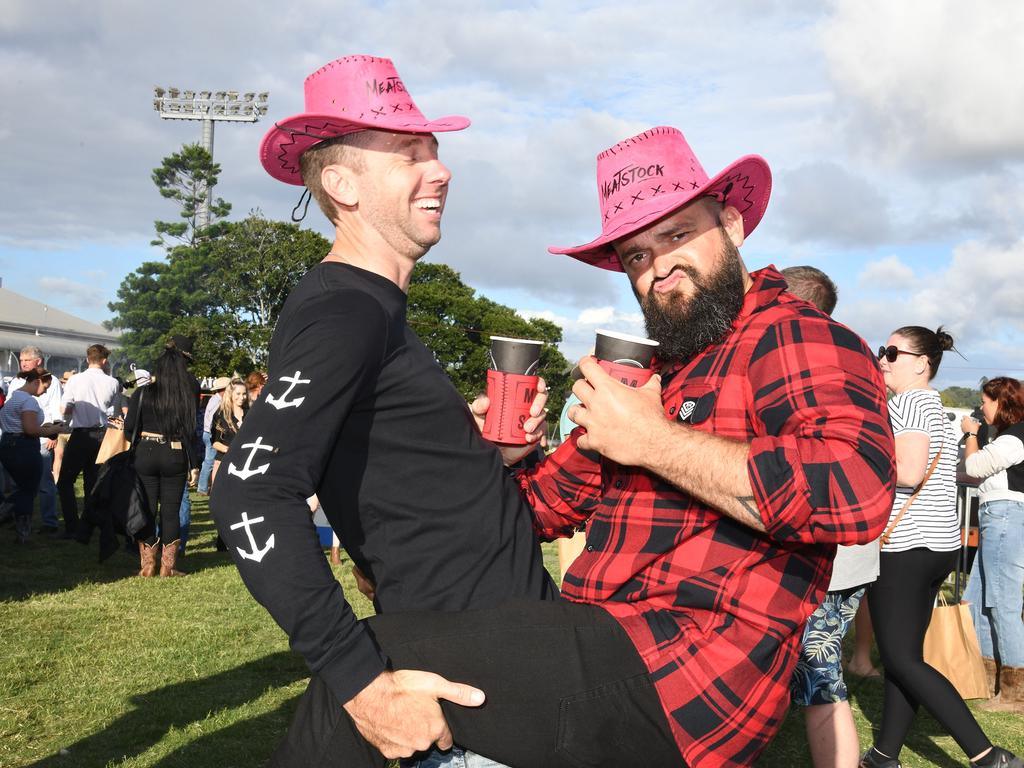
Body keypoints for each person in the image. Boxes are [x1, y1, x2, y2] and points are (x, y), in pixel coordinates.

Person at [230, 124, 901, 768]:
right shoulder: (652, 377)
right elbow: (531, 509)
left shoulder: (795, 337)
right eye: (637, 255)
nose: (659, 268)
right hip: (600, 639)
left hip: (692, 677)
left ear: (730, 224)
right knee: (388, 668)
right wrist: (493, 456)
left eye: (678, 236)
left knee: (375, 670)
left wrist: (656, 442)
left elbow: (856, 492)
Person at [211, 55, 555, 768]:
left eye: (436, 151)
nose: (441, 171)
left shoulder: (377, 311)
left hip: (498, 669)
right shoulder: (346, 310)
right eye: (409, 154)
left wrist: (493, 454)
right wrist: (363, 685)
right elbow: (250, 485)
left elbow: (381, 478)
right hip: (456, 699)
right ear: (343, 184)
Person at [861, 327, 1022, 768]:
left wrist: (859, 460)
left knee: (900, 657)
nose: (883, 359)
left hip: (906, 544)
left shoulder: (910, 402)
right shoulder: (929, 403)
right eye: (882, 350)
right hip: (934, 545)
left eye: (893, 352)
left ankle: (987, 754)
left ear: (921, 363)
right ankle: (884, 754)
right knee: (903, 655)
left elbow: (909, 472)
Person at [781, 265, 880, 768]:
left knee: (820, 675)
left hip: (825, 551)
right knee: (819, 668)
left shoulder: (802, 364)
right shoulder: (857, 357)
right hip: (851, 552)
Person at [960, 376, 1024, 713]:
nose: (981, 407)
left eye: (986, 400)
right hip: (997, 515)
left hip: (1006, 516)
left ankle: (1016, 692)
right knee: (977, 600)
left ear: (1002, 402)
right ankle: (985, 679)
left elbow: (974, 466)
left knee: (1002, 601)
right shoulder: (1007, 438)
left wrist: (971, 434)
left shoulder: (1015, 439)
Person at [125, 337, 200, 577]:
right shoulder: (184, 396)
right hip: (175, 453)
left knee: (146, 509)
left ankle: (147, 565)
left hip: (145, 451)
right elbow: (190, 431)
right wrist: (194, 463)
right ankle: (167, 567)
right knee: (170, 511)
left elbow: (129, 429)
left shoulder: (142, 394)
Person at [59, 344, 121, 541]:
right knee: (92, 483)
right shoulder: (112, 382)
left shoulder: (76, 379)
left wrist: (68, 419)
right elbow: (112, 408)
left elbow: (66, 408)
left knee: (66, 481)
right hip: (101, 434)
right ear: (104, 361)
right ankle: (89, 524)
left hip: (80, 433)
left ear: (87, 359)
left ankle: (72, 525)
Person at [0, 368, 65, 543]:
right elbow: (30, 430)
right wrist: (54, 429)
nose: (45, 391)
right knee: (28, 489)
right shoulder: (29, 402)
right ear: (36, 382)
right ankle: (19, 528)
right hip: (24, 447)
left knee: (22, 487)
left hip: (7, 444)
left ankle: (17, 525)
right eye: (46, 386)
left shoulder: (12, 398)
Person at [209, 377, 248, 486]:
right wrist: (229, 449)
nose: (242, 397)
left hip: (245, 465)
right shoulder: (220, 415)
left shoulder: (250, 414)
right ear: (230, 394)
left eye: (244, 394)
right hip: (223, 463)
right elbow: (215, 442)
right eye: (238, 394)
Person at [197, 377, 230, 495]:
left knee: (209, 461)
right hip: (211, 433)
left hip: (207, 432)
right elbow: (214, 420)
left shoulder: (214, 399)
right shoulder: (218, 401)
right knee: (210, 461)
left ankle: (204, 486)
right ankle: (203, 488)